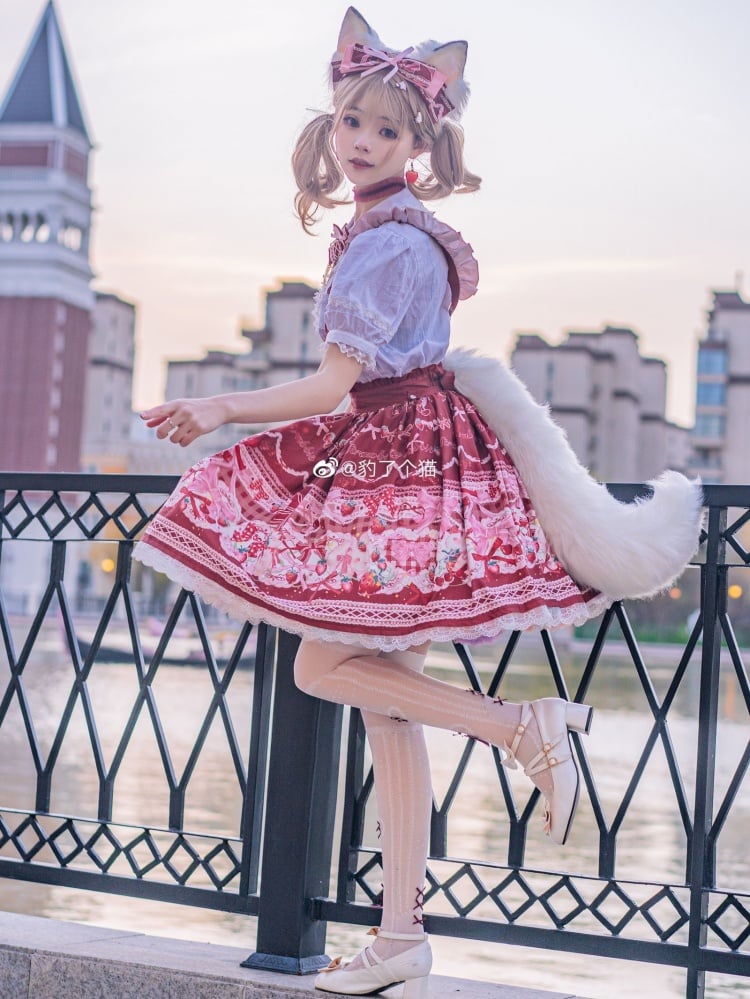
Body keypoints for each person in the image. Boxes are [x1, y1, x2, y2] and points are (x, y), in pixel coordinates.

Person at [134, 8, 702, 996]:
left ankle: (519, 728)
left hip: (397, 470)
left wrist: (218, 404)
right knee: (384, 706)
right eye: (355, 119)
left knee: (322, 664)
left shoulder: (386, 246)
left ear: (421, 143)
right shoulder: (388, 233)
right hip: (416, 461)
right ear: (334, 118)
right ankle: (403, 935)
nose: (362, 141)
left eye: (388, 130)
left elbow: (326, 390)